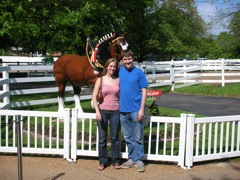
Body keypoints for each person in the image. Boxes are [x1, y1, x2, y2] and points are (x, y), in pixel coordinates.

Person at [119, 49, 149, 172]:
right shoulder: (119, 71)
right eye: (125, 59)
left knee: (138, 136)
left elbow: (144, 91)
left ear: (133, 59)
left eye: (129, 58)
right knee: (127, 136)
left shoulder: (139, 73)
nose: (127, 61)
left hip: (136, 109)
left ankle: (139, 160)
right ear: (123, 60)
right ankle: (131, 158)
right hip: (122, 110)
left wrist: (142, 109)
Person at [92, 58, 121, 171]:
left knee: (115, 138)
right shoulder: (100, 80)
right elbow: (94, 96)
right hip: (103, 111)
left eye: (114, 66)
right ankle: (102, 161)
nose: (112, 68)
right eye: (110, 66)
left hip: (115, 111)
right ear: (106, 66)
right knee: (102, 138)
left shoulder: (118, 80)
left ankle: (116, 160)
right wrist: (97, 111)